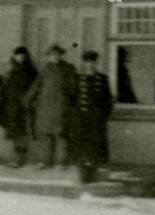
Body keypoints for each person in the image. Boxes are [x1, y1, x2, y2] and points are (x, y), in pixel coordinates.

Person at [26, 44, 77, 169]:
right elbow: (37, 85)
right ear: (48, 56)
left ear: (61, 55)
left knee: (61, 136)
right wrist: (27, 98)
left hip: (61, 107)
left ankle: (62, 162)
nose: (54, 57)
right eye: (52, 55)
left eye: (57, 54)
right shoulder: (45, 69)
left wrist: (66, 99)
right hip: (45, 108)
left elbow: (73, 88)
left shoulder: (68, 69)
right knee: (45, 135)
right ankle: (45, 161)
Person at [0, 46, 37, 167]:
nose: (20, 58)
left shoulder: (31, 71)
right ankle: (16, 157)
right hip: (11, 106)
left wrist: (27, 100)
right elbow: (5, 86)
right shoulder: (11, 70)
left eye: (22, 56)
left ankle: (20, 158)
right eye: (18, 55)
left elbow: (35, 87)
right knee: (14, 133)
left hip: (23, 106)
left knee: (22, 133)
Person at [74, 50, 112, 184]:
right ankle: (83, 174)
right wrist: (75, 116)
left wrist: (104, 114)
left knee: (96, 146)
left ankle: (93, 173)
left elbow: (108, 99)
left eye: (92, 62)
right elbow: (72, 99)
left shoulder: (102, 79)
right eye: (87, 62)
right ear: (84, 63)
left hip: (97, 120)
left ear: (96, 63)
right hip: (81, 119)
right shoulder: (77, 78)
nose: (90, 65)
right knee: (82, 147)